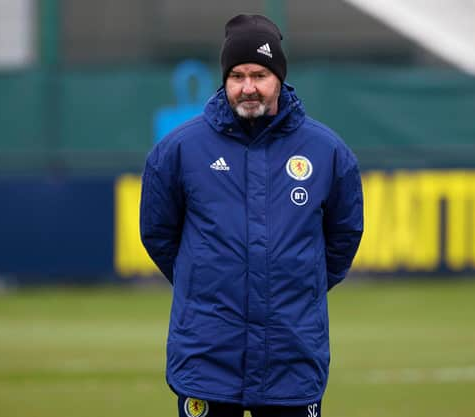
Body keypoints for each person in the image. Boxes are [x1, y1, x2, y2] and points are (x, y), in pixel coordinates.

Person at [140, 13, 363, 417]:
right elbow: (158, 234)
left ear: (279, 76)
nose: (248, 87)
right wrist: (204, 280)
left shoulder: (327, 151)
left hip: (291, 358)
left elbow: (343, 237)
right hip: (207, 358)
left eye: (259, 74)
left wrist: (299, 283)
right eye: (237, 75)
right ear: (224, 79)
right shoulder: (179, 150)